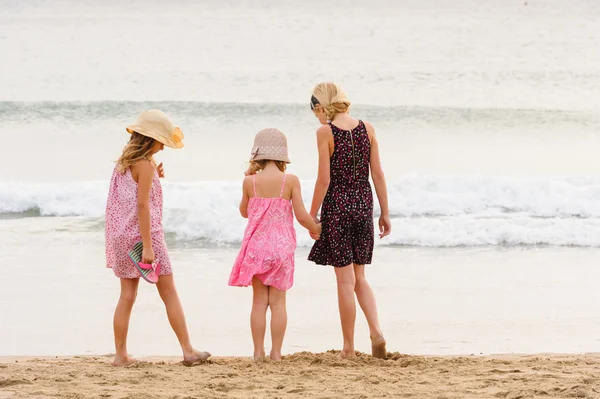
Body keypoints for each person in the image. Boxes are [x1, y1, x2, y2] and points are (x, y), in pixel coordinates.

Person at [105, 109, 210, 366]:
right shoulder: (144, 164)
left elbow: (130, 195)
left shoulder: (125, 162)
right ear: (150, 138)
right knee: (169, 292)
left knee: (127, 296)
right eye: (161, 140)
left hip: (121, 235)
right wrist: (148, 247)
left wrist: (153, 177)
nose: (163, 146)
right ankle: (188, 351)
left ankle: (121, 356)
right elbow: (142, 207)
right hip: (143, 236)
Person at [307, 83, 392, 359]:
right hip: (363, 204)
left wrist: (312, 214)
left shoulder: (325, 132)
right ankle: (377, 331)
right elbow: (377, 174)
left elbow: (324, 180)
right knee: (360, 277)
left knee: (344, 281)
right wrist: (385, 212)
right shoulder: (367, 128)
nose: (316, 116)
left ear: (322, 106)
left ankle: (348, 347)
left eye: (314, 110)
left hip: (338, 207)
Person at [229, 128, 321, 361]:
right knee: (278, 303)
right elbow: (300, 215)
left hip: (256, 249)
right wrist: (315, 227)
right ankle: (276, 353)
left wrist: (247, 178)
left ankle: (258, 352)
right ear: (283, 156)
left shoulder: (250, 182)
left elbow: (243, 212)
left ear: (257, 156)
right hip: (280, 249)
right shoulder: (290, 181)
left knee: (259, 302)